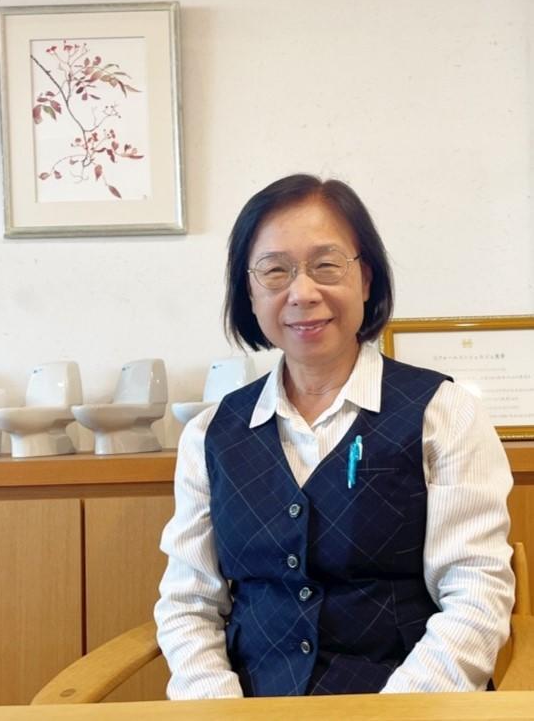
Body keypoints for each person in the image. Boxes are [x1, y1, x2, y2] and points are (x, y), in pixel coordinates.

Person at [154, 174, 514, 699]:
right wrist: (220, 710)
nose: (303, 293)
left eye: (326, 266)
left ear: (365, 279)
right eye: (275, 270)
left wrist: (395, 713)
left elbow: (476, 593)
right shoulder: (210, 434)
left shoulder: (444, 414)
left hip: (408, 706)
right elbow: (189, 604)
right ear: (249, 291)